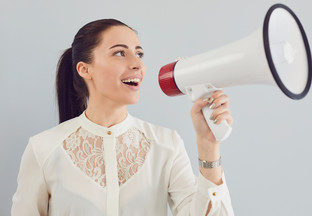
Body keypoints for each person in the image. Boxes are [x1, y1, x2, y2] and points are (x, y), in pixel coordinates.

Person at [11, 19, 234, 216]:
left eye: (139, 53)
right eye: (120, 53)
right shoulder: (43, 149)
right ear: (84, 69)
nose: (138, 64)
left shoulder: (166, 145)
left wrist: (208, 146)